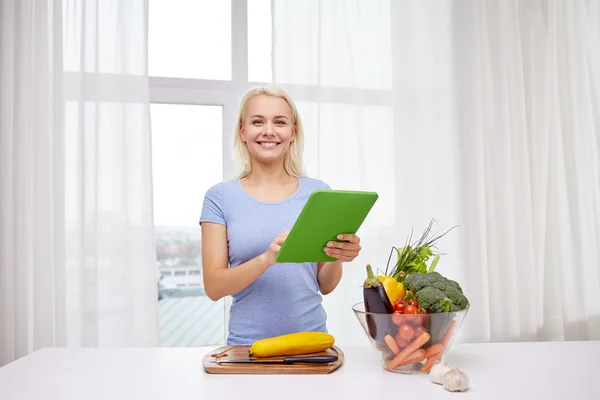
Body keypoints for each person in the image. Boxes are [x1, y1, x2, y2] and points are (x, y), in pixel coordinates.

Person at [199, 85, 362, 345]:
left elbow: (326, 285)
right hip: (247, 348)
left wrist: (337, 253)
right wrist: (266, 259)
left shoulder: (318, 193)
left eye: (280, 122)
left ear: (292, 132)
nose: (269, 131)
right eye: (257, 122)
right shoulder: (219, 197)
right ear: (242, 131)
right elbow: (214, 287)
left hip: (312, 346)